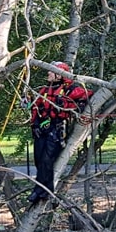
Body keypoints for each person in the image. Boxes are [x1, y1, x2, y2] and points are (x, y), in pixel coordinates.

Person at [29, 61, 92, 204]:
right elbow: (35, 107)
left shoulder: (70, 90)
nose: (48, 73)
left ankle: (41, 191)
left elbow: (87, 94)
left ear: (59, 75)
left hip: (56, 131)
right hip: (41, 130)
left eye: (51, 71)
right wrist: (35, 124)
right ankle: (42, 190)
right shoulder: (44, 90)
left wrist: (80, 105)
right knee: (38, 160)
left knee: (46, 161)